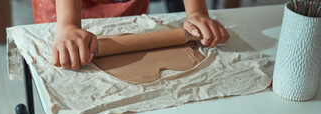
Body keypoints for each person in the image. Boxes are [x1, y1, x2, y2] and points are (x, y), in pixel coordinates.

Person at [51, 0, 229, 69]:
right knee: (70, 50)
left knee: (126, 32)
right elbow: (67, 27)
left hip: (128, 4)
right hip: (68, 7)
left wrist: (197, 13)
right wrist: (68, 25)